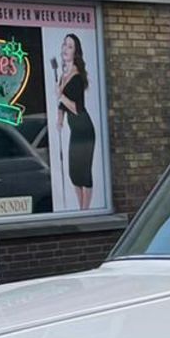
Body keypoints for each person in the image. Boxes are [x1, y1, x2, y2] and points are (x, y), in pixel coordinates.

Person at [54, 32, 96, 209]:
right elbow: (62, 105)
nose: (65, 48)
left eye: (70, 46)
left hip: (84, 128)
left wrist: (61, 97)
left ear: (75, 52)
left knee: (84, 172)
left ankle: (86, 212)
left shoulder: (77, 76)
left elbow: (76, 107)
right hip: (74, 130)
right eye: (65, 44)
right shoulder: (64, 75)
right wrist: (59, 119)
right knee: (74, 173)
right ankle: (81, 209)